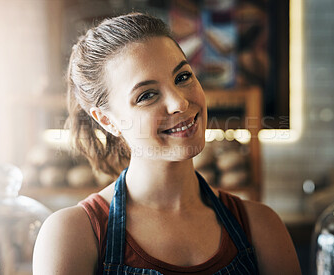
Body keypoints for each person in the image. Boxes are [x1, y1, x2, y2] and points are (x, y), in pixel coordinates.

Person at [33, 13, 301, 275]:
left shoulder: (262, 227)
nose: (180, 103)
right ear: (106, 120)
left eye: (183, 77)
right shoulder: (74, 235)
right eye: (146, 95)